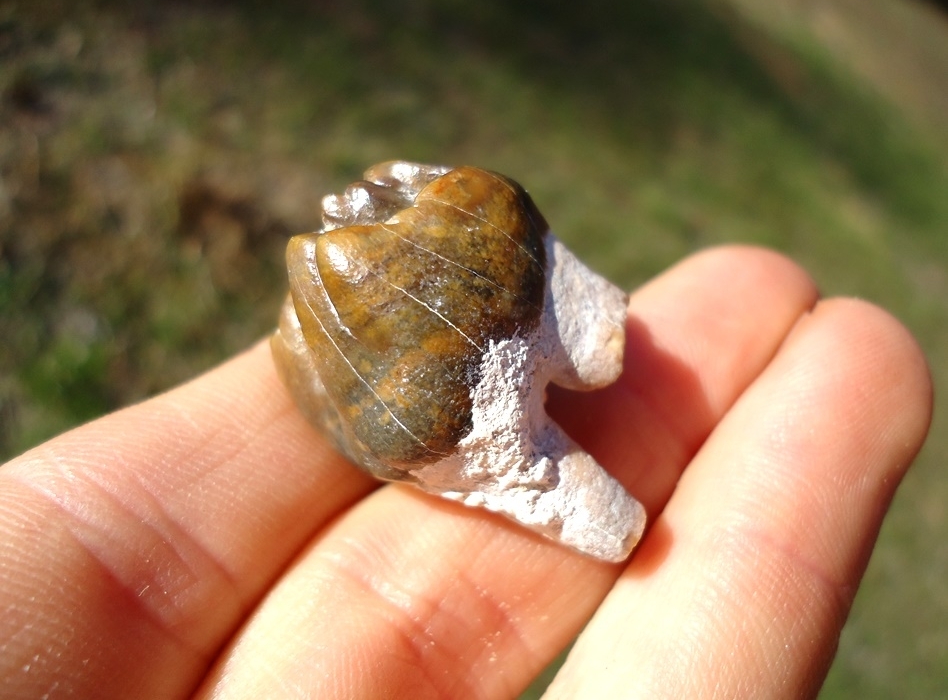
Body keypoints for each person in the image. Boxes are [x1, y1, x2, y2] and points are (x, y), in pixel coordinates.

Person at [0, 247, 932, 699]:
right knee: (599, 504)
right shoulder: (414, 397)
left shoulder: (516, 278)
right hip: (418, 412)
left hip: (437, 366)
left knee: (601, 386)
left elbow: (596, 342)